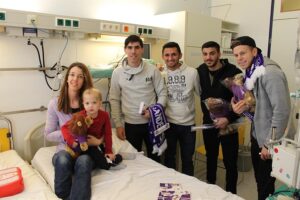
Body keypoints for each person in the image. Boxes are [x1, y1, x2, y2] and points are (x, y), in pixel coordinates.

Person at [230, 36, 290, 200]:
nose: (239, 58)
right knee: (260, 181)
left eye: (243, 53)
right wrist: (242, 107)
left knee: (265, 186)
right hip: (259, 134)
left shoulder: (269, 72)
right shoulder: (252, 70)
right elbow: (262, 106)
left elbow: (282, 111)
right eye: (236, 55)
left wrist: (268, 144)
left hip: (268, 140)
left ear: (254, 51)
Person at [109, 34, 167, 162]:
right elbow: (114, 99)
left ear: (142, 49)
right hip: (130, 125)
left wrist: (154, 112)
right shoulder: (117, 73)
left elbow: (163, 93)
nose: (133, 51)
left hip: (152, 123)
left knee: (156, 159)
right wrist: (118, 124)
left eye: (136, 47)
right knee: (134, 162)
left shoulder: (152, 70)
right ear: (125, 49)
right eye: (130, 48)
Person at [44, 62, 95, 200]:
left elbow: (97, 129)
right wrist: (69, 134)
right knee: (62, 159)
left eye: (80, 76)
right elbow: (48, 134)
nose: (75, 79)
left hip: (85, 151)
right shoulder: (55, 104)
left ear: (84, 80)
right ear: (66, 78)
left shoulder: (90, 103)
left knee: (84, 161)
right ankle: (62, 197)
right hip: (64, 151)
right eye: (72, 75)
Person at [197, 41, 241, 193]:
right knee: (211, 158)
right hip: (209, 125)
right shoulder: (200, 71)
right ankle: (210, 190)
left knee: (230, 163)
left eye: (212, 53)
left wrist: (228, 119)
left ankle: (231, 194)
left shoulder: (233, 72)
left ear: (219, 54)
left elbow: (244, 102)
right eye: (205, 54)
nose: (208, 57)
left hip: (229, 124)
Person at [161, 42, 200, 176]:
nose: (170, 58)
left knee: (187, 159)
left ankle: (189, 187)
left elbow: (202, 94)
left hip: (188, 125)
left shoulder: (192, 72)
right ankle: (171, 184)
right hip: (168, 124)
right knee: (169, 157)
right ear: (163, 56)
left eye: (174, 54)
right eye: (167, 55)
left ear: (180, 55)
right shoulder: (160, 73)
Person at [61, 88, 123, 170]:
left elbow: (108, 133)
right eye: (87, 103)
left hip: (98, 143)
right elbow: (64, 127)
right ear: (83, 104)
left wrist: (109, 151)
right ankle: (111, 162)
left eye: (94, 102)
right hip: (86, 145)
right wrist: (71, 141)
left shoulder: (105, 115)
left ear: (100, 103)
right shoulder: (80, 116)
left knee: (106, 155)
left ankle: (116, 157)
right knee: (102, 162)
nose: (91, 106)